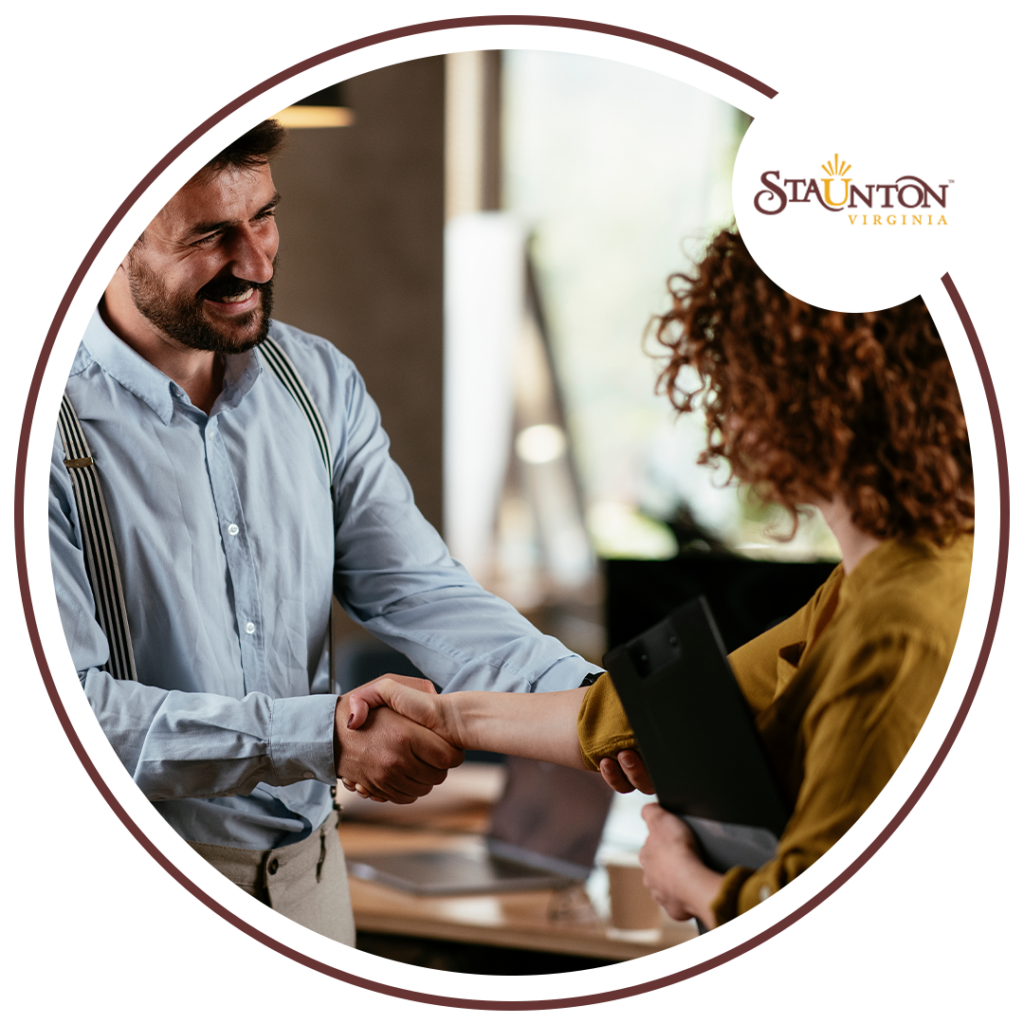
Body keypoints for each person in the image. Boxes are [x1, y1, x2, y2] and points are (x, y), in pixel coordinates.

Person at [48, 119, 610, 948]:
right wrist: (327, 740)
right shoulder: (54, 427)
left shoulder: (317, 383)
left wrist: (595, 701)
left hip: (316, 879)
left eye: (265, 218)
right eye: (210, 236)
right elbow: (82, 706)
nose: (255, 262)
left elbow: (420, 590)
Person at [346, 228, 974, 932]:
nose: (724, 413)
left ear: (801, 394)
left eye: (733, 378)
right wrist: (453, 716)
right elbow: (657, 717)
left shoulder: (902, 622)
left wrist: (690, 882)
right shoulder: (878, 580)